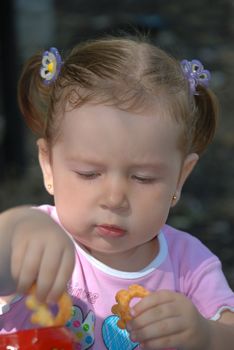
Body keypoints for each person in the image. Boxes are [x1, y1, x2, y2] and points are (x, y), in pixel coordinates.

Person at [0, 34, 234, 350]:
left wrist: (207, 336)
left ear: (180, 177)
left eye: (143, 178)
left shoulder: (189, 265)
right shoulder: (39, 241)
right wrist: (15, 225)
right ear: (48, 166)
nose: (114, 199)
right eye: (89, 173)